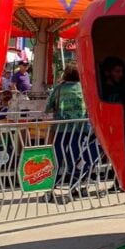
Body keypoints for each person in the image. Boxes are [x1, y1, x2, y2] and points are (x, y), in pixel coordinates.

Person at [46, 65, 100, 199]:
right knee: (77, 158)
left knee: (58, 158)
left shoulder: (59, 89)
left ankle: (50, 189)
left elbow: (48, 107)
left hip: (61, 129)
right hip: (81, 129)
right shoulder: (85, 88)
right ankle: (76, 186)